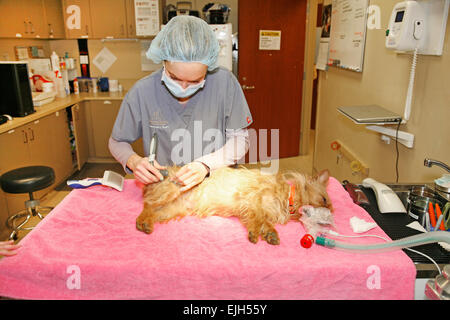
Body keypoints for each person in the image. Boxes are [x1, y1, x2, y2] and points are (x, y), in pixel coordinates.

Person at [109, 15, 253, 191]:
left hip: (216, 187)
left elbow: (240, 139)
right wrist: (134, 161)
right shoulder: (142, 91)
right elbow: (117, 142)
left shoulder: (225, 84)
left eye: (195, 81)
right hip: (166, 189)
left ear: (208, 67)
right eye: (174, 78)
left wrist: (206, 165)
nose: (183, 88)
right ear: (164, 60)